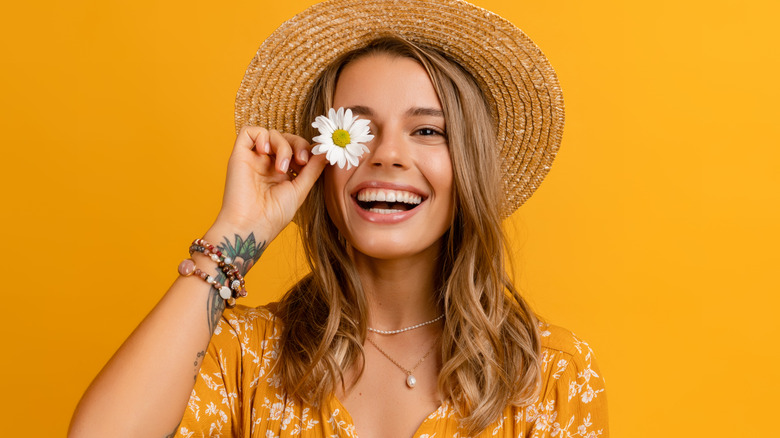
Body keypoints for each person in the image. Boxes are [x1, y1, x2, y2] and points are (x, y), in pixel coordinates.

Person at [69, 0, 608, 437]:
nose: (387, 155)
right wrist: (237, 232)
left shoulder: (553, 374)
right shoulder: (241, 354)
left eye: (427, 131)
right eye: (358, 130)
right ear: (321, 159)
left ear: (468, 166)